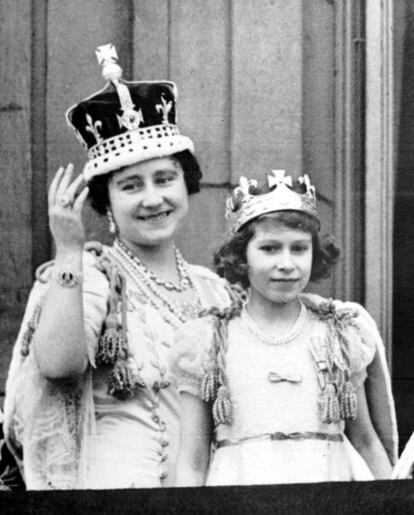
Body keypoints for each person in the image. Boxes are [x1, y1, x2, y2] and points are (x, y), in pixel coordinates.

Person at [3, 44, 229, 489]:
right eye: (131, 186)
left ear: (186, 184)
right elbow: (58, 365)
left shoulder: (213, 291)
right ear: (107, 203)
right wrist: (68, 250)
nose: (153, 199)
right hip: (117, 489)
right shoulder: (92, 278)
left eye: (165, 179)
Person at [170, 170, 398, 486]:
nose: (287, 264)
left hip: (328, 493)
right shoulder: (209, 341)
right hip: (240, 496)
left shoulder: (338, 333)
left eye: (299, 248)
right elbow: (193, 461)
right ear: (240, 256)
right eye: (270, 248)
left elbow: (365, 441)